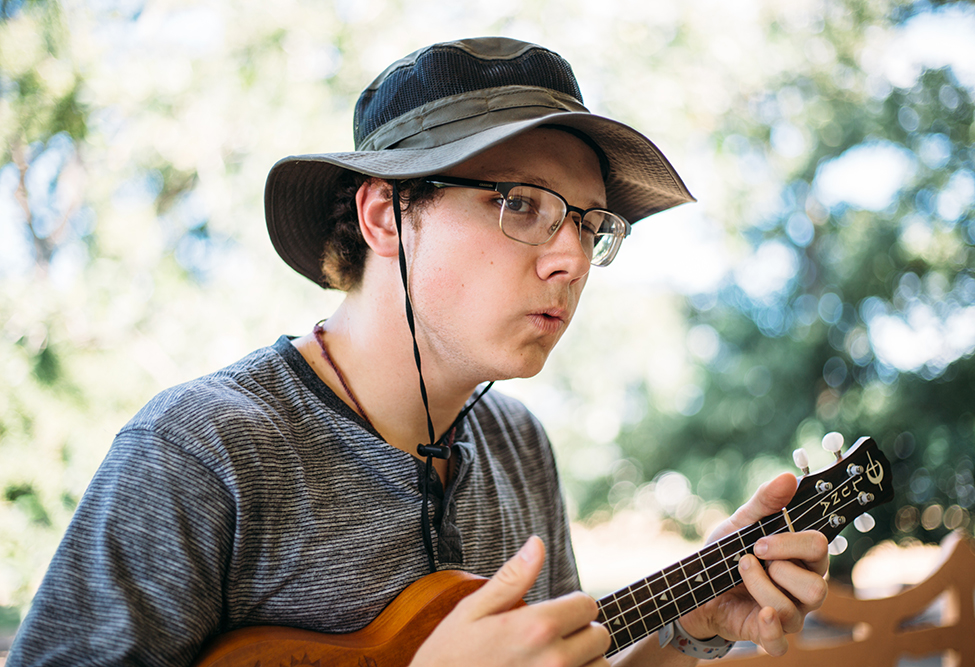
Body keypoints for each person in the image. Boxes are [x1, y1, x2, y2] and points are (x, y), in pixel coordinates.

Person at [8, 37, 828, 666]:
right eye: (521, 203)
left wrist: (690, 621)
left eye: (587, 223)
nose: (571, 258)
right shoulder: (203, 448)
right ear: (383, 218)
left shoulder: (519, 446)